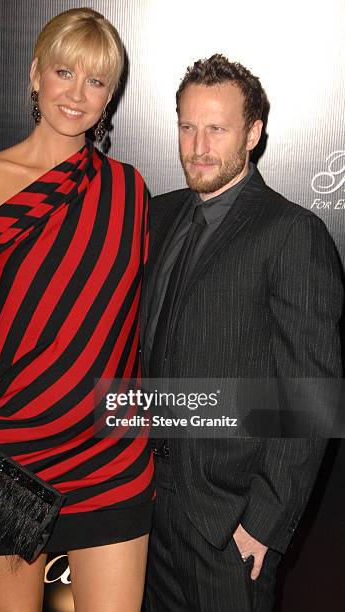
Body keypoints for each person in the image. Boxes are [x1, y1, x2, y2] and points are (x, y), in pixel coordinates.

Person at [0, 8, 154, 612]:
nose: (77, 94)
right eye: (64, 72)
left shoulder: (128, 191)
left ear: (111, 97)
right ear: (34, 75)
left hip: (110, 456)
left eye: (97, 81)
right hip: (6, 456)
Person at [141, 54, 343, 611]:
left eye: (217, 129)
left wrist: (262, 523)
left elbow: (310, 395)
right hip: (144, 508)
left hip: (228, 524)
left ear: (252, 134)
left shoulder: (292, 233)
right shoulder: (157, 216)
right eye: (187, 126)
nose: (198, 146)